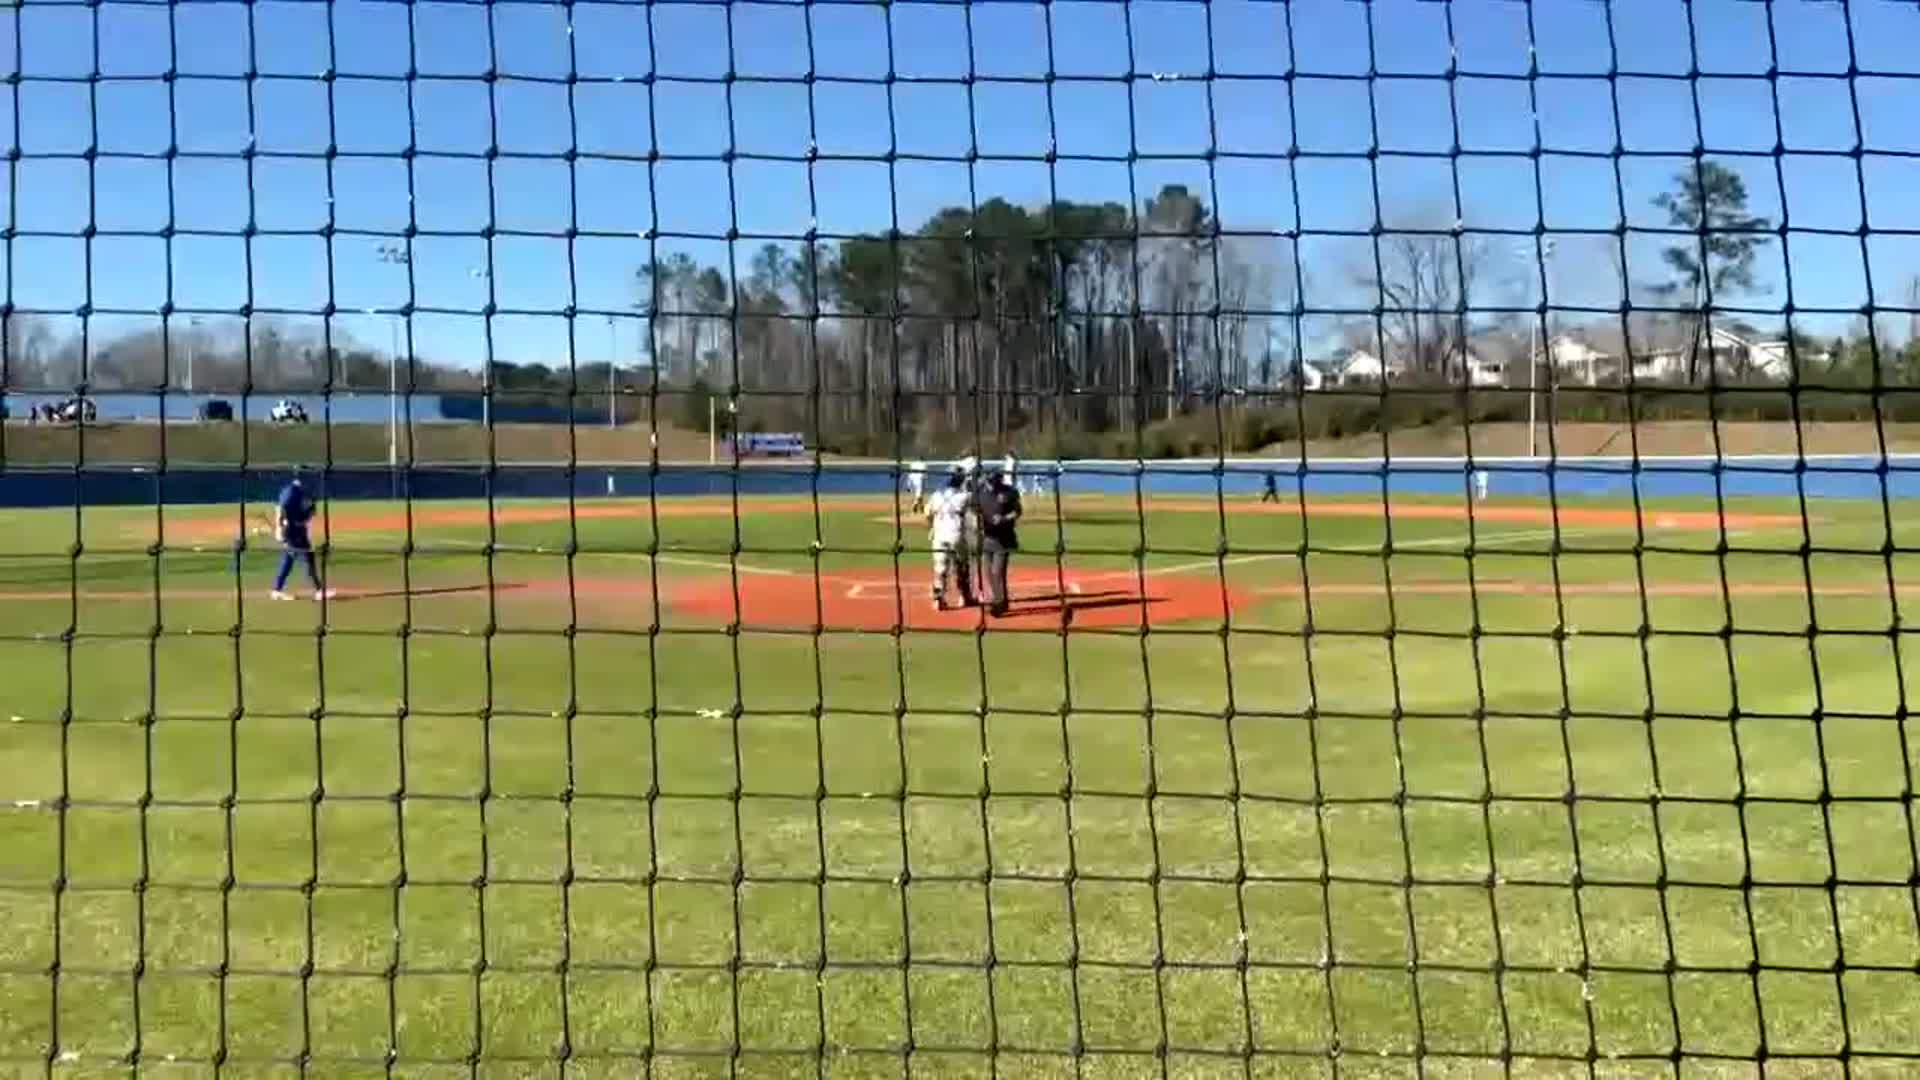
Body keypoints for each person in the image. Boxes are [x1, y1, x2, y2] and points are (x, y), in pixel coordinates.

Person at [270, 471, 335, 601]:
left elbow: (307, 511)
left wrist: (309, 512)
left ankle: (276, 590)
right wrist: (278, 528)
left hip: (300, 530)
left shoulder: (305, 491)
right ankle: (318, 591)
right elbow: (280, 509)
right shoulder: (291, 491)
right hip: (291, 531)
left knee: (287, 559)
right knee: (307, 557)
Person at [974, 465, 1022, 618]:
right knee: (988, 573)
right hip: (987, 538)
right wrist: (977, 521)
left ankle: (998, 604)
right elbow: (973, 510)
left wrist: (1004, 518)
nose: (993, 484)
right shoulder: (979, 493)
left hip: (1004, 539)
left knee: (997, 572)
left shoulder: (1009, 492)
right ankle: (1002, 601)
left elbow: (1017, 511)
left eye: (996, 480)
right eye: (991, 481)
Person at [924, 469, 974, 611]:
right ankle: (964, 597)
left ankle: (938, 600)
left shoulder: (937, 494)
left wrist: (932, 527)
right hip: (956, 535)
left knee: (940, 568)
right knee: (961, 565)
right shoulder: (964, 496)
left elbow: (927, 513)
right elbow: (975, 504)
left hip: (939, 535)